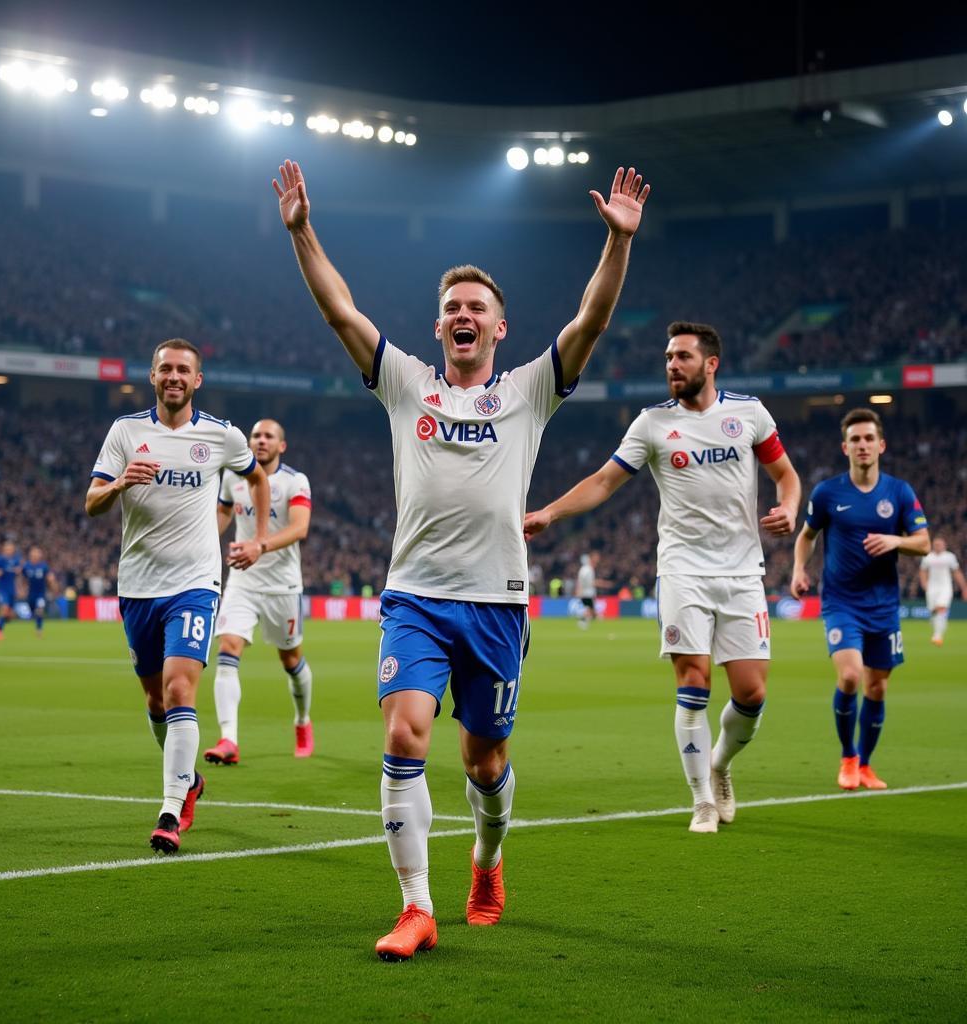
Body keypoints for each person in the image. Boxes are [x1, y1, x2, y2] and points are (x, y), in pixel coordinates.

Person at [273, 158, 650, 960]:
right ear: (439, 327)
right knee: (405, 736)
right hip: (415, 596)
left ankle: (487, 859)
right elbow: (340, 310)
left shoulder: (529, 391)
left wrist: (616, 245)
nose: (463, 315)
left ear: (499, 328)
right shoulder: (406, 383)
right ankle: (416, 907)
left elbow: (591, 321)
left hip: (498, 603)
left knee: (485, 761)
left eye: (477, 306)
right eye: (452, 309)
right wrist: (304, 230)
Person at [525, 322, 800, 834]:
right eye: (668, 358)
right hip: (681, 570)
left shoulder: (750, 414)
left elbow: (786, 474)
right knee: (692, 683)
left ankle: (718, 765)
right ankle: (700, 800)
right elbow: (605, 481)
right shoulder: (652, 424)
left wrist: (789, 505)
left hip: (743, 571)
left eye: (682, 357)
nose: (672, 365)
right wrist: (551, 513)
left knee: (752, 695)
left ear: (710, 363)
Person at [86, 338, 270, 853]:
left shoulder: (220, 435)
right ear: (152, 377)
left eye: (183, 370)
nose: (173, 376)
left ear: (197, 380)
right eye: (165, 368)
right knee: (154, 700)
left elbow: (256, 479)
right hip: (138, 585)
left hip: (195, 583)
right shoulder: (125, 432)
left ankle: (170, 810)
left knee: (179, 691)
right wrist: (121, 482)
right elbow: (91, 502)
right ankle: (189, 779)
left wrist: (254, 537)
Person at [791, 408, 930, 791]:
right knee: (851, 676)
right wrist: (799, 569)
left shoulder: (899, 492)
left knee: (878, 687)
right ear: (845, 447)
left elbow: (924, 542)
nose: (863, 445)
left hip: (884, 605)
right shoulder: (827, 493)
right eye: (855, 439)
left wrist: (896, 541)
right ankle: (848, 756)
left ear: (881, 445)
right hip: (841, 603)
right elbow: (806, 535)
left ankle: (866, 765)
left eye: (869, 438)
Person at [204, 418, 315, 764]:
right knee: (228, 647)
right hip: (242, 580)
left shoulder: (294, 481)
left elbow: (300, 528)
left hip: (282, 585)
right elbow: (222, 515)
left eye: (268, 436)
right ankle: (228, 740)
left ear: (282, 446)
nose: (260, 441)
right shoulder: (233, 477)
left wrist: (259, 546)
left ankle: (302, 721)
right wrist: (202, 541)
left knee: (291, 659)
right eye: (255, 435)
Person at [918, 537, 966, 646]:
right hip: (932, 587)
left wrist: (964, 587)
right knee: (934, 611)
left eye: (940, 544)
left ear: (944, 545)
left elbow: (956, 572)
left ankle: (937, 636)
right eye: (936, 544)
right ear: (933, 545)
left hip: (945, 587)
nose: (938, 546)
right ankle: (939, 628)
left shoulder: (949, 557)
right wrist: (924, 583)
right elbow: (922, 571)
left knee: (941, 609)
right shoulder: (928, 557)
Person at [0, 539, 21, 640]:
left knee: (9, 615)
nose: (9, 551)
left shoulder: (16, 560)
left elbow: (18, 573)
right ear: (4, 550)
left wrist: (18, 573)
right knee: (5, 608)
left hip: (12, 589)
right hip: (2, 589)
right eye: (7, 549)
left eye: (11, 549)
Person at [22, 546, 56, 636]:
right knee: (33, 610)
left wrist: (52, 585)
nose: (36, 555)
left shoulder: (44, 566)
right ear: (30, 555)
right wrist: (22, 589)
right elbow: (23, 578)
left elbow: (49, 577)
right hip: (31, 594)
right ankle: (36, 621)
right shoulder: (26, 566)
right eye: (34, 553)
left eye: (37, 553)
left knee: (40, 609)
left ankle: (39, 629)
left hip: (41, 593)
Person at [575, 552, 609, 628]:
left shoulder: (587, 569)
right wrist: (603, 583)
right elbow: (585, 582)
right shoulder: (587, 569)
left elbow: (580, 581)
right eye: (596, 557)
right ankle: (583, 622)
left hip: (588, 593)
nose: (597, 559)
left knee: (590, 609)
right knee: (590, 609)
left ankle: (587, 621)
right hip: (587, 593)